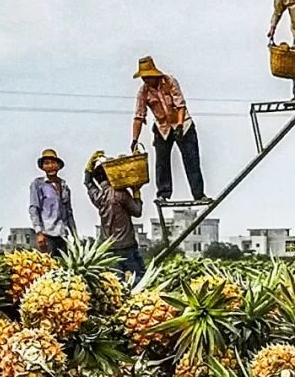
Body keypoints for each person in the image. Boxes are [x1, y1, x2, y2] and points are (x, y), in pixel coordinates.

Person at [131, 57, 209, 205]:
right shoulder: (143, 92)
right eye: (143, 78)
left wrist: (179, 125)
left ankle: (199, 194)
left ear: (154, 75)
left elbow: (180, 105)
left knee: (191, 160)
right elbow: (139, 116)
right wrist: (135, 139)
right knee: (162, 162)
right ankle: (163, 193)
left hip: (183, 124)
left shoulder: (169, 81)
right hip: (163, 128)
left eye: (148, 77)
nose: (145, 80)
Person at [83, 151, 145, 280]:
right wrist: (136, 193)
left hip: (109, 247)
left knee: (117, 283)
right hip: (128, 245)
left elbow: (88, 184)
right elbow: (137, 212)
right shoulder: (121, 193)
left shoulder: (98, 196)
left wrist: (88, 169)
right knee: (139, 279)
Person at [29, 148, 76, 257]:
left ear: (58, 166)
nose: (50, 166)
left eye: (53, 163)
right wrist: (39, 232)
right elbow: (34, 209)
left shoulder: (64, 186)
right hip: (47, 235)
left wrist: (75, 235)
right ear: (43, 167)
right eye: (47, 163)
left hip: (62, 235)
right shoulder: (38, 184)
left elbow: (69, 212)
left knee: (63, 267)